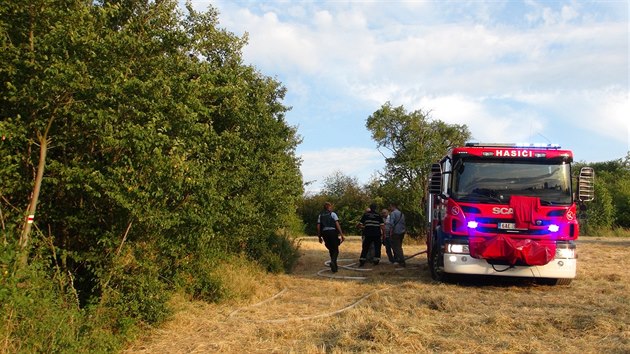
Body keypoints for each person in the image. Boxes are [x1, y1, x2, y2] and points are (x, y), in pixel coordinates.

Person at [317, 202, 345, 272]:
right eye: (331, 207)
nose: (331, 208)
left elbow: (318, 226)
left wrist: (319, 236)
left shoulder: (320, 215)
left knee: (330, 249)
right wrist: (341, 234)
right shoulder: (333, 214)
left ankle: (334, 268)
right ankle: (333, 262)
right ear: (329, 207)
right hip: (332, 232)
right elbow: (337, 224)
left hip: (325, 233)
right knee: (335, 249)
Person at [388, 202, 406, 267]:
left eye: (390, 206)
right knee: (399, 246)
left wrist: (390, 232)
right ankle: (400, 259)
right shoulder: (401, 213)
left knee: (396, 247)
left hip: (396, 232)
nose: (389, 208)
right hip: (402, 232)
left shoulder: (393, 213)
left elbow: (391, 224)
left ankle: (401, 260)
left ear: (393, 206)